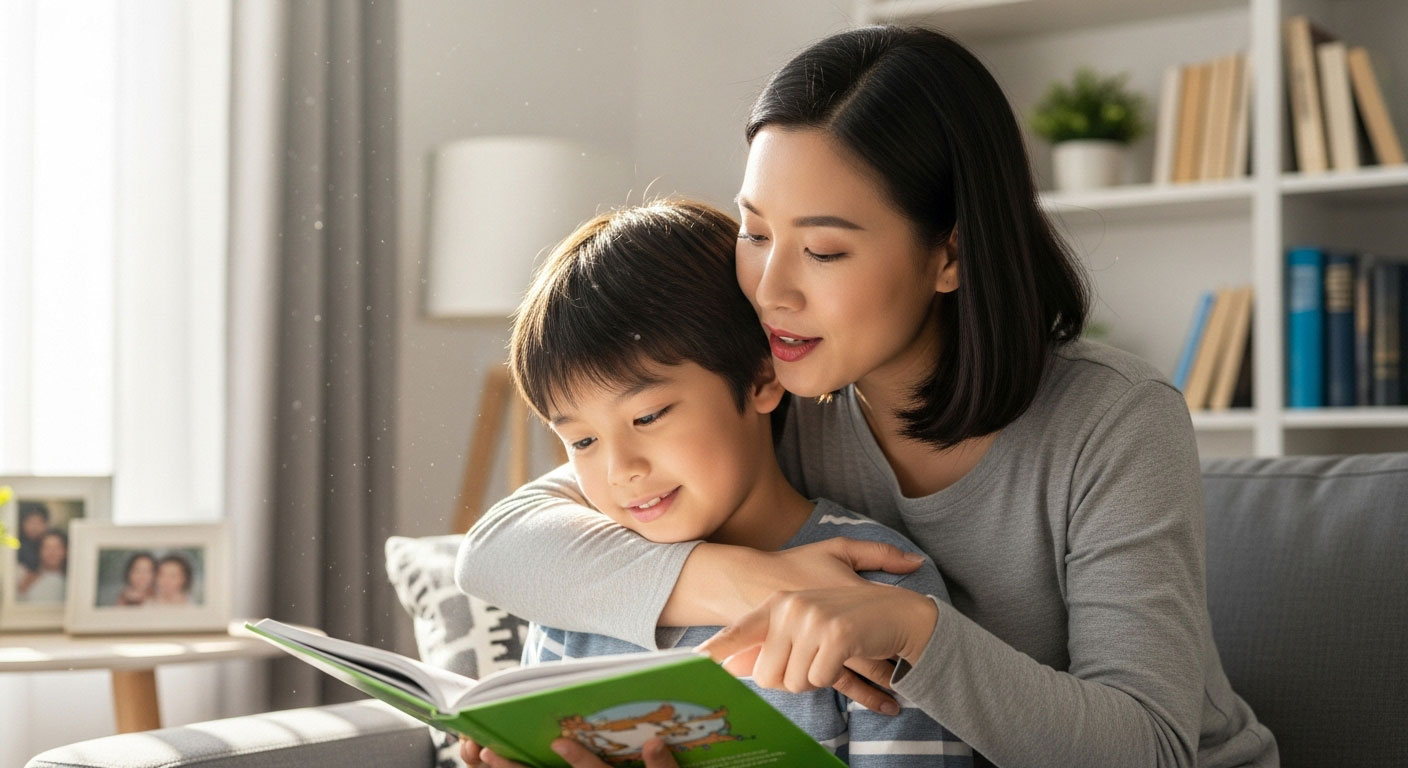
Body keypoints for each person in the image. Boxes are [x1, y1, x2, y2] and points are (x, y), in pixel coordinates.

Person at [457, 26, 1277, 768]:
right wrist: (754, 584)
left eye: (822, 249)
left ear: (949, 255)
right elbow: (502, 548)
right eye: (755, 232)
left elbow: (1152, 749)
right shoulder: (780, 388)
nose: (770, 289)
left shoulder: (1115, 421)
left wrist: (912, 630)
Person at [462, 200, 971, 767]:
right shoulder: (575, 593)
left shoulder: (874, 590)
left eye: (649, 416)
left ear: (760, 378)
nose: (620, 469)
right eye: (582, 442)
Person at [17, 529, 67, 603]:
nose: (52, 552)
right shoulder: (28, 577)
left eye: (57, 547)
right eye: (47, 547)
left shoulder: (71, 581)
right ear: (39, 551)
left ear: (66, 551)